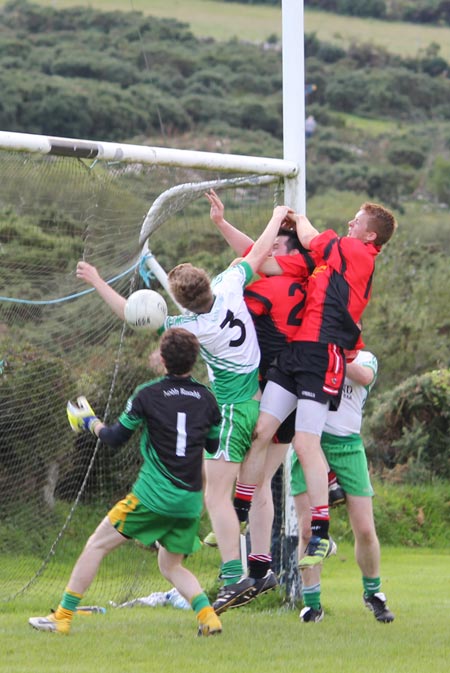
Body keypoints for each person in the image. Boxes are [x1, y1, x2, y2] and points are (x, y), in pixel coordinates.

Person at [75, 203, 293, 614]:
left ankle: (234, 578)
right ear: (209, 282)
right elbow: (259, 250)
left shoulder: (192, 327)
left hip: (231, 412)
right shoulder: (230, 283)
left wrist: (98, 280)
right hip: (254, 402)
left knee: (216, 498)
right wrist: (275, 215)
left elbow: (131, 314)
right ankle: (241, 563)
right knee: (232, 485)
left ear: (180, 302)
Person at [29, 328, 224, 637]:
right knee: (170, 565)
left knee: (96, 544)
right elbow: (213, 447)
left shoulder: (147, 394)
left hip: (152, 497)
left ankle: (63, 617)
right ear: (194, 360)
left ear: (162, 359)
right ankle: (209, 617)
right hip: (189, 502)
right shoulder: (207, 398)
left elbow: (115, 438)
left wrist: (89, 421)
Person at [238, 203, 397, 571]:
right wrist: (231, 242)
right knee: (261, 431)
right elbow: (263, 262)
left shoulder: (357, 250)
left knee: (306, 443)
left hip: (323, 354)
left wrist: (288, 215)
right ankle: (239, 510)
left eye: (355, 221)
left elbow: (309, 237)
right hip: (297, 353)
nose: (348, 222)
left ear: (369, 235)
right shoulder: (324, 262)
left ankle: (321, 533)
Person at [291, 345, 395, 624]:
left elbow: (364, 376)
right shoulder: (315, 349)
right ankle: (312, 605)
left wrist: (332, 358)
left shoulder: (366, 358)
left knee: (364, 528)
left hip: (348, 447)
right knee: (306, 530)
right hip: (311, 443)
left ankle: (373, 594)